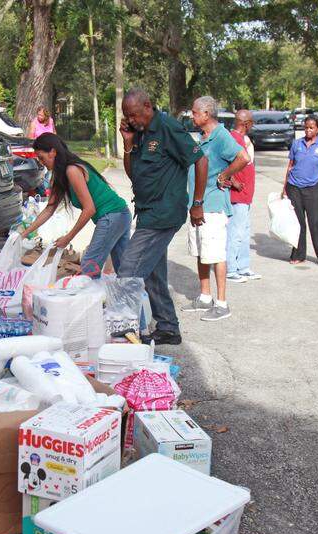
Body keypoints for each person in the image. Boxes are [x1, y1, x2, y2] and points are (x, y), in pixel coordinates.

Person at [118, 88, 208, 345]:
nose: (131, 120)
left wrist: (197, 203)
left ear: (148, 106)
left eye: (134, 115)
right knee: (154, 272)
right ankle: (168, 328)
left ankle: (122, 332)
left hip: (164, 212)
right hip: (148, 212)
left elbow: (200, 161)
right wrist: (128, 143)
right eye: (127, 117)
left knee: (129, 270)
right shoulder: (142, 135)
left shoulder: (167, 127)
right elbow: (134, 174)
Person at [24, 133, 132, 277]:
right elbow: (49, 209)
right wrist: (23, 234)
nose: (40, 162)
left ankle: (91, 298)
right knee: (124, 272)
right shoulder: (60, 175)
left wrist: (68, 238)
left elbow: (89, 209)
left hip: (112, 216)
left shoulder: (72, 170)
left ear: (53, 152)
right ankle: (130, 298)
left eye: (41, 157)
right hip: (120, 215)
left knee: (89, 267)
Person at [183, 96, 248, 322]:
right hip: (197, 205)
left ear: (206, 114)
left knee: (216, 254)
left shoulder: (221, 136)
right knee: (201, 252)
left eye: (194, 113)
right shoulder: (203, 137)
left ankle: (222, 303)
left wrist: (225, 175)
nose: (192, 116)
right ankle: (204, 297)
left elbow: (243, 157)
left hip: (213, 206)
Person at [280, 114, 318, 265]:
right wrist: (284, 187)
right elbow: (290, 166)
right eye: (306, 127)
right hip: (294, 187)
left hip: (313, 189)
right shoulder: (297, 144)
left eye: (311, 128)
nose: (307, 130)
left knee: (316, 221)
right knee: (298, 223)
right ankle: (298, 255)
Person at [227, 109, 259, 282]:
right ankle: (230, 269)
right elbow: (224, 162)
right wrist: (232, 180)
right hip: (237, 195)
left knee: (244, 232)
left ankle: (243, 267)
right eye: (252, 122)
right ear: (246, 123)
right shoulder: (233, 139)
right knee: (235, 232)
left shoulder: (244, 139)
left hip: (246, 195)